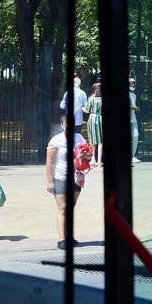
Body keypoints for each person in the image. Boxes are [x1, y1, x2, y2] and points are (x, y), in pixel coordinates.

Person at [45, 115, 86, 249]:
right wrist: (50, 182)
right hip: (60, 177)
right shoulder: (56, 141)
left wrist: (86, 155)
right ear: (62, 125)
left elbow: (87, 156)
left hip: (75, 178)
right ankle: (62, 239)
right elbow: (49, 163)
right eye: (66, 123)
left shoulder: (79, 138)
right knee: (62, 208)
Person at [84, 83, 103, 166]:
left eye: (97, 88)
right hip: (100, 118)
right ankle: (99, 161)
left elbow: (87, 110)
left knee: (92, 140)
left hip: (92, 118)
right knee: (100, 141)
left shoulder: (91, 98)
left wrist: (81, 107)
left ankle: (93, 160)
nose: (96, 90)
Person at [129, 78, 141, 163]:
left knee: (135, 136)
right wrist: (133, 107)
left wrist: (136, 108)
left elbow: (135, 106)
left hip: (133, 117)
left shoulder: (134, 95)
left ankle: (133, 156)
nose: (132, 84)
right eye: (131, 83)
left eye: (134, 83)